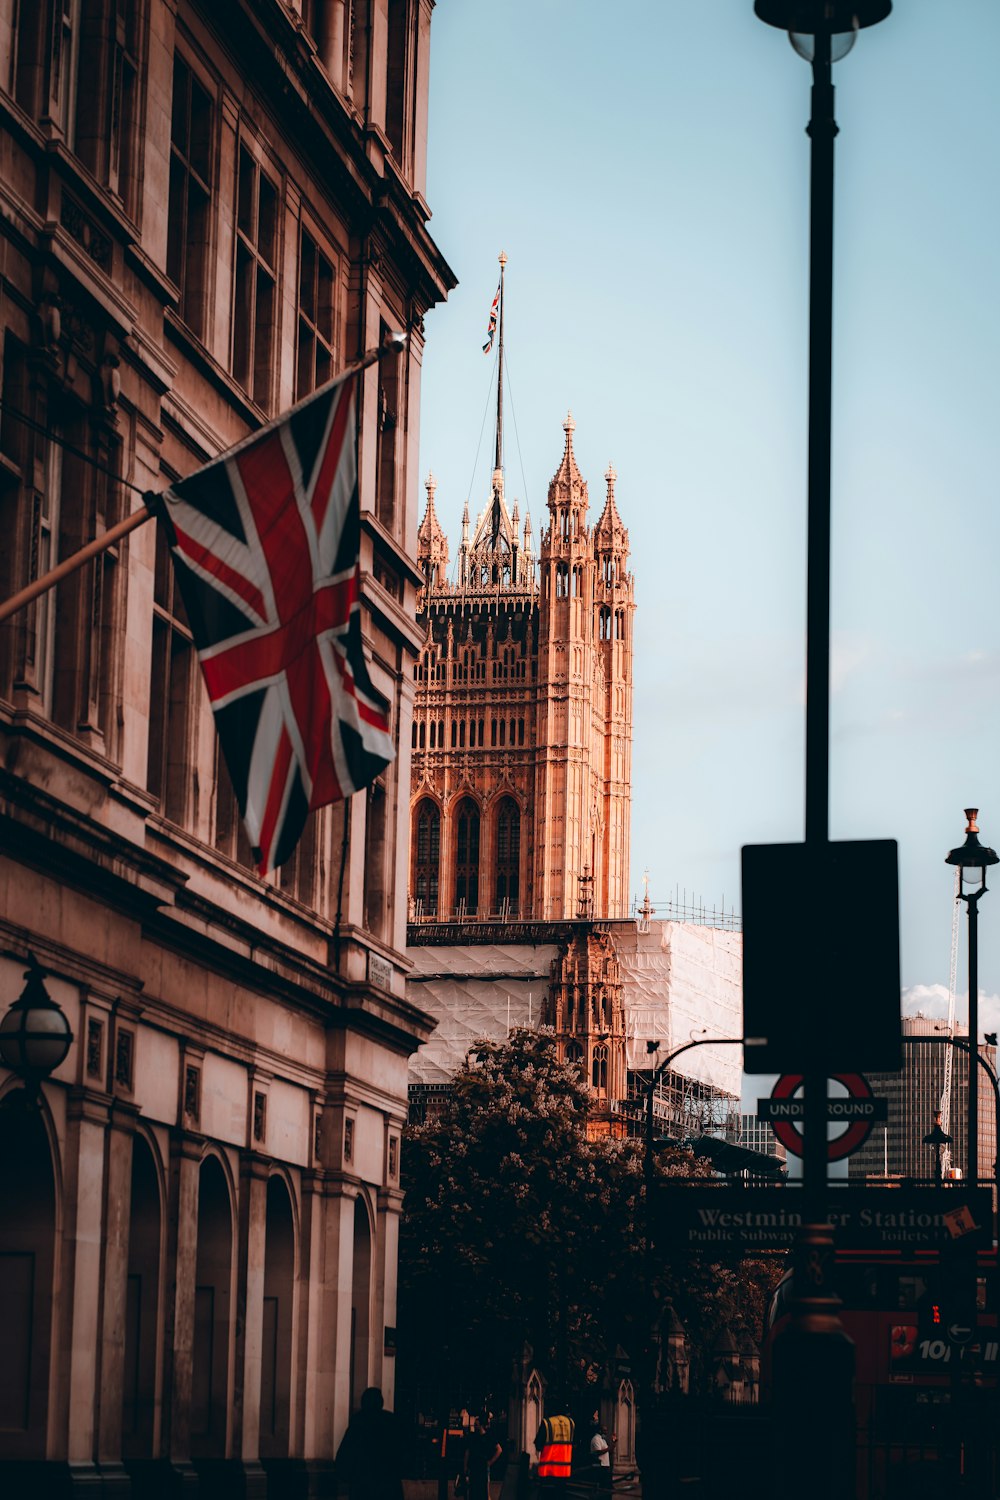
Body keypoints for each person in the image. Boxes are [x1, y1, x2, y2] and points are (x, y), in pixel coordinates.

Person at [335, 1386, 406, 1500]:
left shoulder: (359, 1422)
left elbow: (346, 1453)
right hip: (388, 1483)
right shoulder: (391, 1421)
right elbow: (402, 1451)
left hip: (363, 1483)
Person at [464, 1411, 503, 1500]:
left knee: (483, 1491)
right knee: (475, 1492)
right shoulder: (474, 1437)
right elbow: (467, 1452)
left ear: (481, 1425)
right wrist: (465, 1467)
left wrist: (489, 1462)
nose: (474, 1426)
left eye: (476, 1424)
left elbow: (499, 1449)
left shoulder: (487, 1437)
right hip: (475, 1467)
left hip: (482, 1467)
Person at [535, 1400, 575, 1487]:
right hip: (565, 1472)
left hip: (548, 1472)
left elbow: (538, 1445)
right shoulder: (571, 1423)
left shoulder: (547, 1423)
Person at [588, 1416, 612, 1493]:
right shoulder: (596, 1439)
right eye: (604, 1430)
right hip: (600, 1465)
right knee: (601, 1485)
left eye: (606, 1430)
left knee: (605, 1485)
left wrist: (613, 1444)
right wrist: (609, 1448)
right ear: (600, 1430)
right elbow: (598, 1452)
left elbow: (608, 1451)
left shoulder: (603, 1440)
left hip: (606, 1465)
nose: (606, 1432)